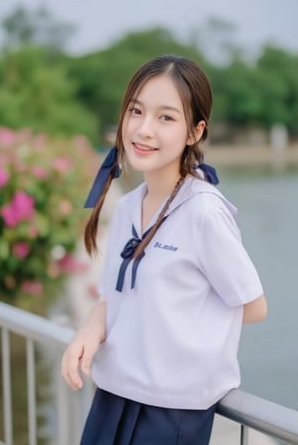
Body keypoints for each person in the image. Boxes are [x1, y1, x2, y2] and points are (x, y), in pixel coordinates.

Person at [61, 54, 267, 445]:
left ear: (195, 131)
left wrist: (177, 336)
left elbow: (254, 306)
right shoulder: (126, 207)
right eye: (136, 111)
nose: (143, 129)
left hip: (172, 411)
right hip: (111, 395)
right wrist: (88, 331)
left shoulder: (204, 211)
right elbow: (114, 294)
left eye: (166, 117)